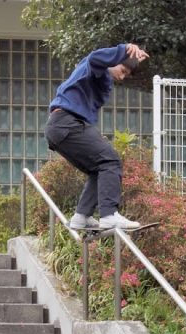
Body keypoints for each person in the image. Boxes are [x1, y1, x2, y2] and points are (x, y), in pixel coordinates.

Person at [44, 43, 149, 229]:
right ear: (112, 61)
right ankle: (109, 214)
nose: (122, 77)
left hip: (61, 127)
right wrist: (124, 50)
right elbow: (95, 58)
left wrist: (132, 61)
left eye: (126, 75)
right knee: (110, 161)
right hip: (67, 123)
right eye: (122, 71)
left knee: (97, 168)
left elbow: (102, 84)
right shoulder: (90, 67)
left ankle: (82, 216)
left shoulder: (102, 79)